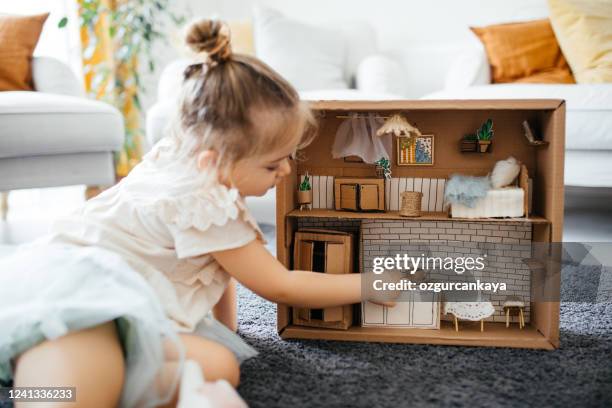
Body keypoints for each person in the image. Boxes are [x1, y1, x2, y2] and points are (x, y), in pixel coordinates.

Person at [0, 18, 387, 408]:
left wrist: (226, 331)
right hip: (86, 299)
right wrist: (372, 284)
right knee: (67, 392)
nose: (286, 172)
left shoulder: (179, 155)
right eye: (272, 165)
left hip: (82, 290)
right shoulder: (209, 204)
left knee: (222, 363)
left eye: (290, 158)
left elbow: (221, 266)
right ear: (214, 160)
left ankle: (60, 379)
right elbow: (281, 285)